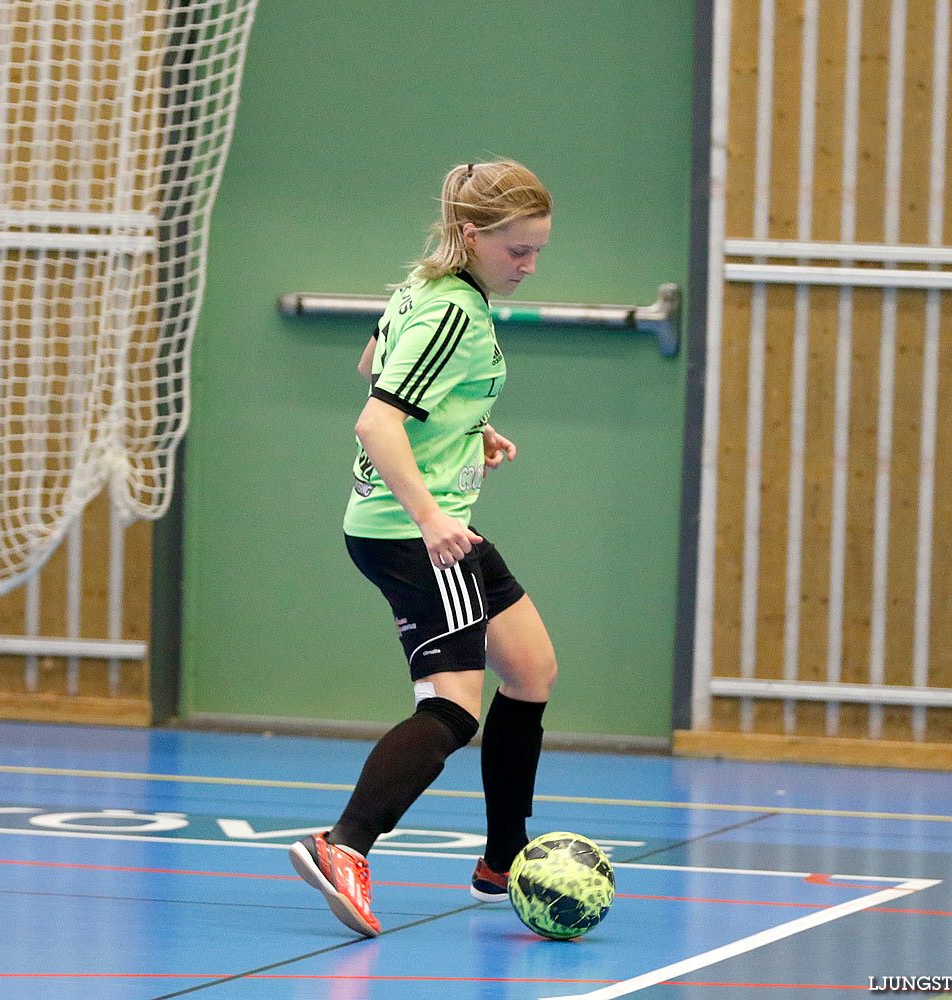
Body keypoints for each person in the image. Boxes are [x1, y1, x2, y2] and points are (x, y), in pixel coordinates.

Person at [290, 159, 556, 937]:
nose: (530, 265)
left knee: (532, 669)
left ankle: (503, 858)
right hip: (416, 534)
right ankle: (345, 845)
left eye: (539, 249)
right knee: (451, 707)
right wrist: (433, 513)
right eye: (518, 250)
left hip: (430, 521)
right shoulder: (453, 313)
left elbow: (375, 363)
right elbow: (376, 420)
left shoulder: (426, 290)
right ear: (472, 236)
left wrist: (465, 429)